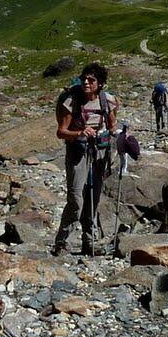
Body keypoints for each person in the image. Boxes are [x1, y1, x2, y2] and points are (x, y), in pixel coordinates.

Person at [52, 62, 119, 257]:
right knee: (76, 199)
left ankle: (89, 241)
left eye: (91, 80)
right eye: (84, 79)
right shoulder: (71, 102)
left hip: (99, 152)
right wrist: (80, 133)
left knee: (93, 198)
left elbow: (112, 126)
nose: (86, 83)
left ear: (101, 83)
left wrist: (121, 137)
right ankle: (62, 242)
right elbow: (61, 132)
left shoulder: (107, 101)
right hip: (77, 151)